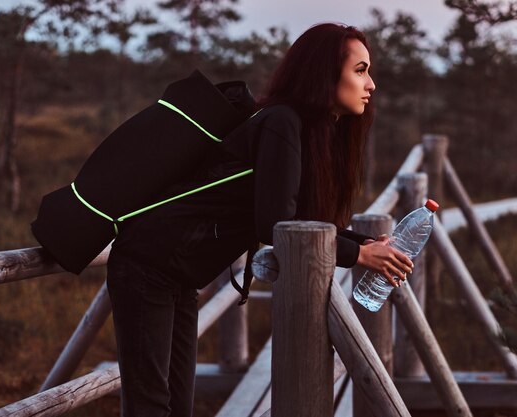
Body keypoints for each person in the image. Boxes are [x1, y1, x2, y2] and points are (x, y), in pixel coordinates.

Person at [106, 22, 414, 417]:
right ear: (323, 73)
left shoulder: (308, 129)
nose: (370, 84)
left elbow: (304, 221)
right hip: (147, 264)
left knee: (175, 406)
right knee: (151, 407)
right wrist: (358, 256)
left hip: (177, 275)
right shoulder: (281, 121)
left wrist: (362, 243)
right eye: (360, 70)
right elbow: (277, 225)